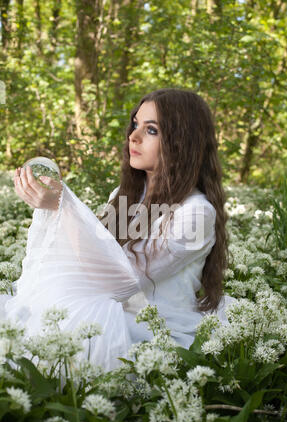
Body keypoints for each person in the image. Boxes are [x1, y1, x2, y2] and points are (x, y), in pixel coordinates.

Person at [1, 88, 236, 372]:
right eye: (135, 125)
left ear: (182, 141)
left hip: (152, 326)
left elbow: (124, 283)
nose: (133, 137)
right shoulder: (125, 196)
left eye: (151, 130)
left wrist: (64, 206)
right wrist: (56, 207)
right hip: (112, 306)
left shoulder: (197, 213)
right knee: (33, 315)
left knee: (67, 329)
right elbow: (87, 261)